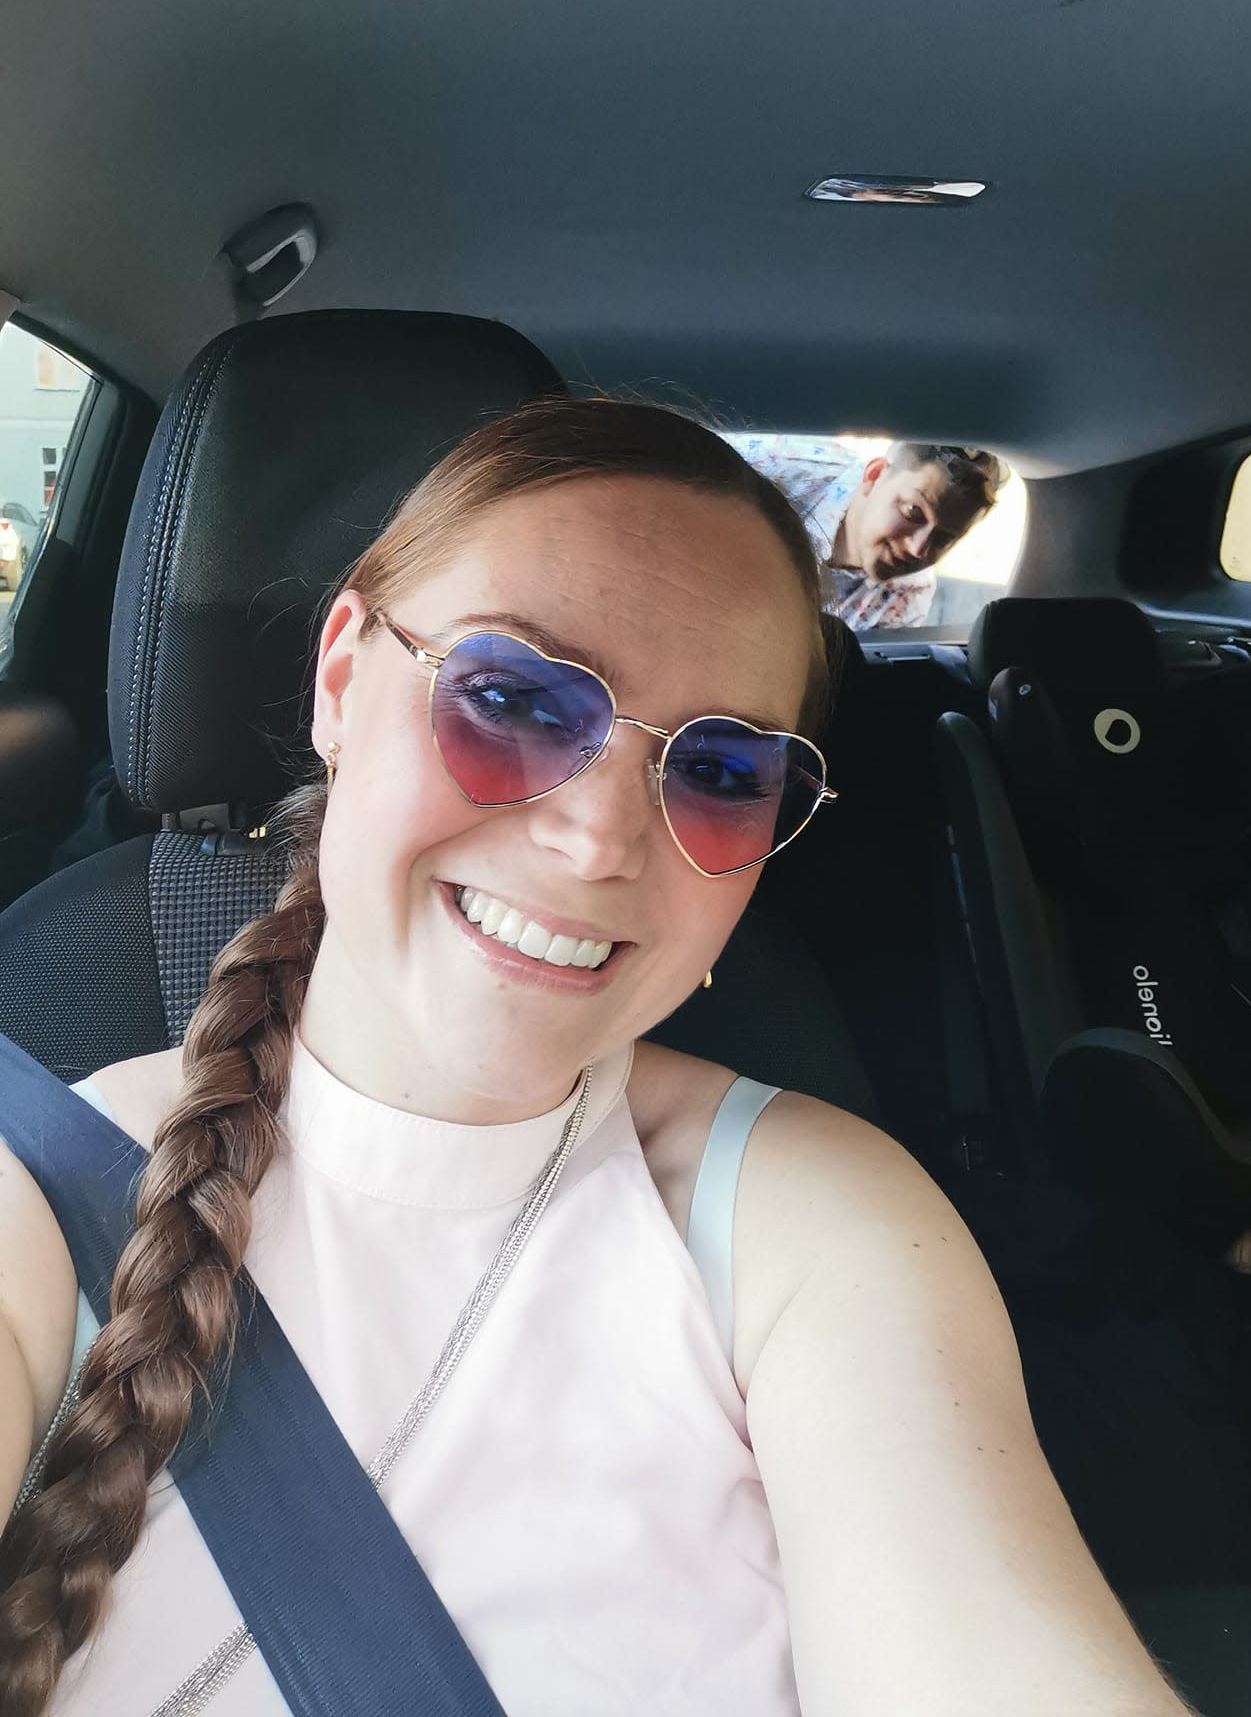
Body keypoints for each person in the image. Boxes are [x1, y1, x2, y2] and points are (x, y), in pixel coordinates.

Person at [0, 398, 1184, 1715]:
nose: (601, 840)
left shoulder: (812, 1225)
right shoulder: (32, 1194)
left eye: (723, 772)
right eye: (511, 697)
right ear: (341, 681)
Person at [732, 433, 1006, 631]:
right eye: (913, 512)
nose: (917, 549)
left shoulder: (908, 595)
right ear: (874, 476)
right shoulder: (768, 467)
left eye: (944, 538)